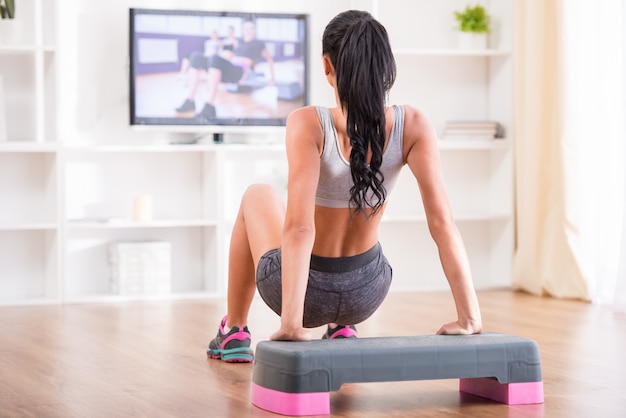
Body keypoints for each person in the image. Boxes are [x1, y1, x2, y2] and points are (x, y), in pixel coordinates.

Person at [207, 10, 483, 363]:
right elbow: (443, 224)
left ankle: (235, 330)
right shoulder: (413, 124)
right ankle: (341, 325)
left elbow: (300, 227)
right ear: (386, 66)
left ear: (327, 66)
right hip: (367, 294)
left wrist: (292, 324)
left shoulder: (308, 122)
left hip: (303, 297)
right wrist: (470, 317)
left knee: (258, 194)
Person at [175, 18, 275, 121]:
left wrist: (272, 78)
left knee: (214, 59)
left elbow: (270, 60)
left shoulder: (259, 44)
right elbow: (229, 55)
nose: (249, 31)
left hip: (239, 71)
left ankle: (210, 106)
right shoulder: (238, 42)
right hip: (228, 67)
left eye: (251, 28)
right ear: (243, 30)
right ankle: (190, 101)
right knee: (195, 57)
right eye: (246, 28)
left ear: (255, 29)